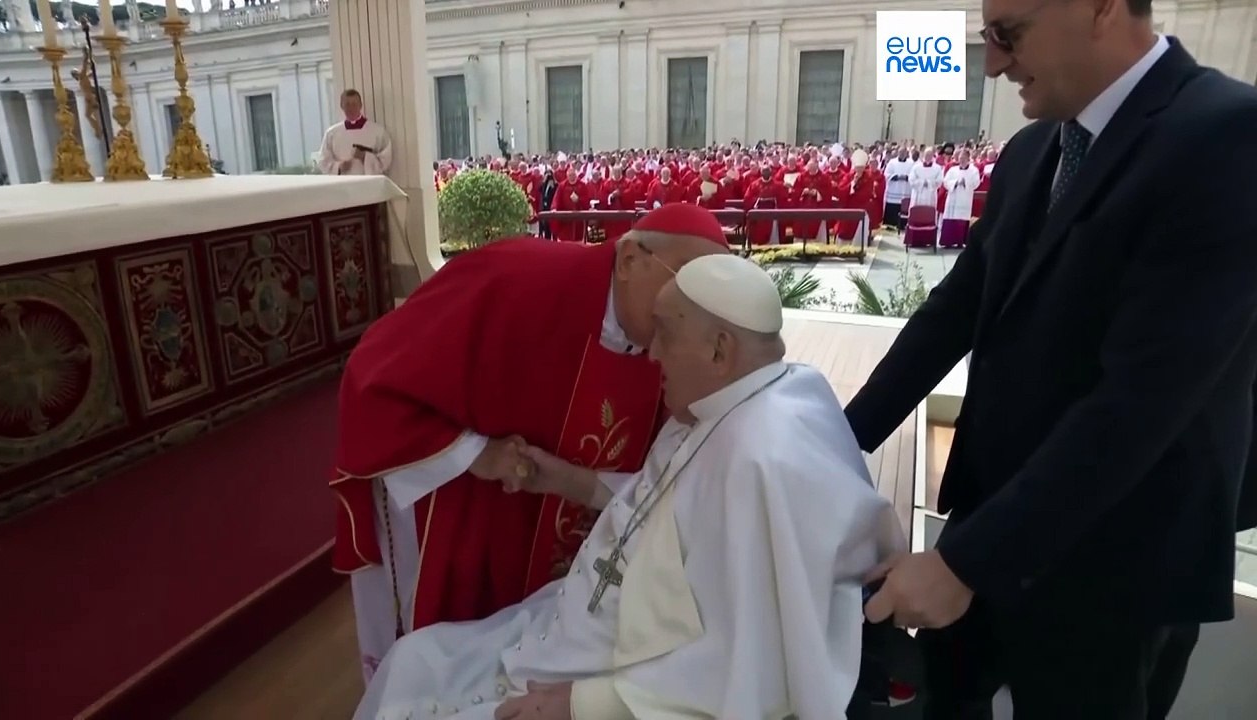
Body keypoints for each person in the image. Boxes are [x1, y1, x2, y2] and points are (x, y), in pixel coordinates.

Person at [845, 1, 1257, 717]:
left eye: (1008, 34)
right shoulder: (1033, 152)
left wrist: (965, 564)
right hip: (987, 529)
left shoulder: (1227, 135)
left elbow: (1144, 399)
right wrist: (834, 440)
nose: (994, 63)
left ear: (1097, 8)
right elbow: (952, 314)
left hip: (1115, 571)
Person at [353, 254, 906, 720]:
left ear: (719, 350)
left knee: (415, 692)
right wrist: (565, 479)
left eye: (665, 333)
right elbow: (666, 513)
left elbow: (745, 662)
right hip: (579, 629)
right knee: (415, 661)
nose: (652, 352)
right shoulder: (756, 394)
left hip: (625, 680)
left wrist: (579, 702)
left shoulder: (760, 459)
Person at [331, 204, 732, 683]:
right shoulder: (513, 278)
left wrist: (569, 482)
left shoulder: (675, 345)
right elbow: (372, 378)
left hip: (561, 577)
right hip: (464, 511)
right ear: (629, 261)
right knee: (431, 674)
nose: (689, 309)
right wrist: (478, 454)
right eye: (682, 282)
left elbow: (672, 481)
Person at [318, 89, 392, 176]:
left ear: (360, 105)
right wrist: (338, 167)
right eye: (347, 104)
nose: (351, 108)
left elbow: (385, 159)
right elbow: (323, 161)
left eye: (354, 104)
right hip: (342, 185)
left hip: (369, 184)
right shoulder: (331, 133)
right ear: (342, 106)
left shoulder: (378, 132)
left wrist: (365, 157)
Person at [937, 150, 979, 248]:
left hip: (965, 198)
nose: (962, 160)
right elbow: (946, 181)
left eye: (964, 158)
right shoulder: (953, 170)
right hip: (953, 198)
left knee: (962, 219)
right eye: (960, 158)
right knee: (951, 219)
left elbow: (976, 183)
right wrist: (955, 182)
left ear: (968, 158)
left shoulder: (973, 170)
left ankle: (960, 242)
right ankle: (948, 242)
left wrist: (965, 182)